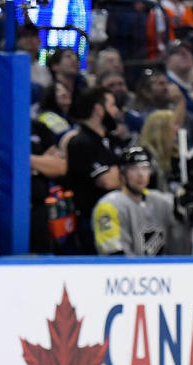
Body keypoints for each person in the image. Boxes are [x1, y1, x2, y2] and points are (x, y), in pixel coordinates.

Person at [93, 147, 191, 255]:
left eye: (145, 168)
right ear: (122, 174)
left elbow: (181, 245)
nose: (140, 174)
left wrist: (186, 213)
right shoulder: (109, 206)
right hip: (126, 271)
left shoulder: (163, 202)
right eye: (134, 169)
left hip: (162, 270)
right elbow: (113, 255)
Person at [65, 86, 122, 254]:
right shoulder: (80, 143)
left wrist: (120, 174)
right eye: (112, 105)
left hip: (119, 218)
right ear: (99, 109)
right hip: (91, 221)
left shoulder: (114, 141)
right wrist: (124, 174)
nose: (116, 111)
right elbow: (107, 181)